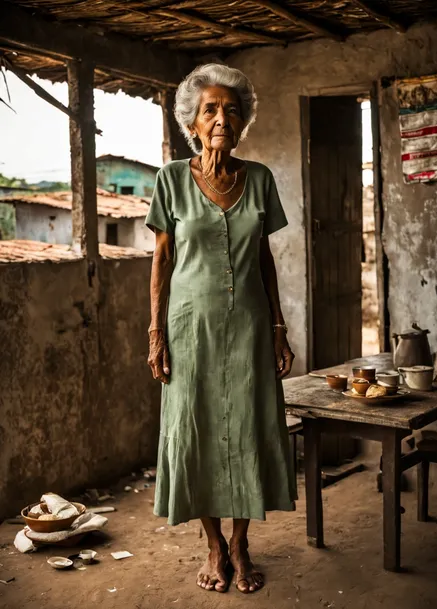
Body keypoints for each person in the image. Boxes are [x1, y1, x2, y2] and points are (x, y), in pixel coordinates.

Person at [146, 63, 296, 594]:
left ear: (243, 120)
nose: (221, 118)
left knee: (250, 428)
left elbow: (264, 257)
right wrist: (156, 335)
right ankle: (212, 544)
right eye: (210, 109)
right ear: (192, 120)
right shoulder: (170, 180)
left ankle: (240, 542)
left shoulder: (259, 179)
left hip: (251, 325)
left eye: (232, 109)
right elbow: (161, 262)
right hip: (190, 329)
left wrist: (279, 326)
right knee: (197, 428)